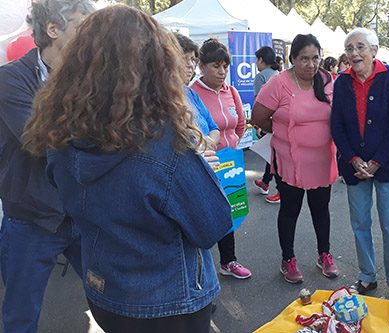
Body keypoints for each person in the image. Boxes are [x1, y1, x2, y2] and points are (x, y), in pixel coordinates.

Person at [22, 5, 233, 332]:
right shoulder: (165, 143)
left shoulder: (60, 132)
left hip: (105, 293)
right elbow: (213, 224)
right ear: (156, 64)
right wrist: (195, 168)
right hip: (168, 304)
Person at [0, 0, 95, 331]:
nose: (92, 38)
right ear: (53, 29)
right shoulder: (10, 79)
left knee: (117, 296)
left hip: (83, 214)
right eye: (83, 28)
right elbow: (39, 141)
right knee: (20, 317)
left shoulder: (89, 80)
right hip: (31, 218)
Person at [252, 34, 339, 284]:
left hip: (323, 159)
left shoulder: (327, 80)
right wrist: (283, 134)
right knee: (290, 210)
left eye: (315, 58)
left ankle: (325, 254)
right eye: (304, 59)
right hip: (289, 160)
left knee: (321, 208)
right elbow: (259, 117)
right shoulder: (278, 83)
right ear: (292, 59)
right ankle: (287, 259)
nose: (311, 65)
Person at [331, 27, 389, 302]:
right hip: (354, 167)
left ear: (374, 50)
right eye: (350, 48)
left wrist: (376, 162)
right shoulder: (341, 82)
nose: (354, 53)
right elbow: (337, 126)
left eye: (360, 47)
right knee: (360, 224)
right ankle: (367, 276)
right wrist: (353, 158)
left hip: (388, 165)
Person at [190, 38, 252, 280]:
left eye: (225, 66)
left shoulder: (231, 91)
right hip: (204, 165)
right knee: (202, 217)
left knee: (229, 212)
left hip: (231, 164)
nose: (222, 71)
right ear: (202, 66)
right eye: (216, 66)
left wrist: (231, 146)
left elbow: (239, 125)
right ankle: (200, 271)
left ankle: (229, 261)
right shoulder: (192, 94)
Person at [173, 32, 220, 150]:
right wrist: (200, 146)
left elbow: (214, 127)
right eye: (184, 59)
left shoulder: (191, 94)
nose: (191, 65)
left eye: (193, 60)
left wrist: (209, 142)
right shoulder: (160, 98)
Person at [252, 46, 282, 204]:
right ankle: (265, 183)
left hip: (268, 122)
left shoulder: (261, 77)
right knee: (272, 154)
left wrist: (258, 125)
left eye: (257, 59)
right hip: (280, 122)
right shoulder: (279, 75)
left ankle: (280, 190)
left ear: (261, 60)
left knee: (274, 157)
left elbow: (259, 103)